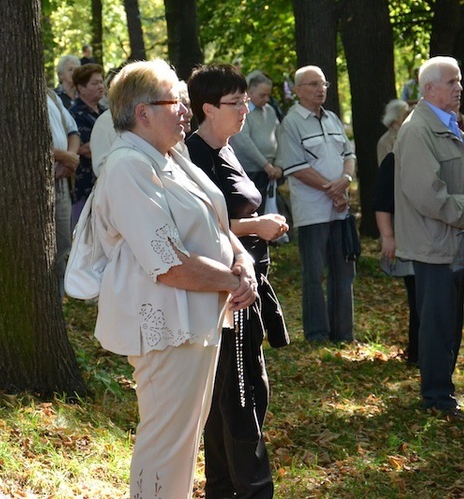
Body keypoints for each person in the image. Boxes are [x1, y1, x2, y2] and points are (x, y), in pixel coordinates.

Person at [91, 59, 258, 498]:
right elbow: (168, 264)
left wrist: (243, 263)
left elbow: (218, 225)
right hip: (165, 326)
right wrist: (232, 281)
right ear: (142, 111)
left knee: (183, 444)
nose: (186, 111)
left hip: (197, 322)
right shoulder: (129, 165)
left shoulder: (172, 158)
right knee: (166, 444)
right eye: (176, 102)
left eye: (185, 102)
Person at [186, 63, 289, 499]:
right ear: (208, 108)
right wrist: (256, 226)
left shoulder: (226, 148)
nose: (245, 108)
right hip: (226, 289)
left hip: (248, 284)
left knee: (237, 392)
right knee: (241, 395)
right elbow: (201, 224)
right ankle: (250, 490)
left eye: (246, 99)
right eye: (236, 102)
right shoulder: (193, 155)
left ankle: (224, 488)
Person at [393, 56, 464, 418]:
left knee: (451, 321)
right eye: (451, 82)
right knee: (438, 323)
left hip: (452, 240)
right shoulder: (418, 129)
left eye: (459, 81)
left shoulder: (448, 123)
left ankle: (443, 392)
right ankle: (436, 397)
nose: (459, 87)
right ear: (429, 88)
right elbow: (427, 192)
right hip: (435, 242)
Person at [276, 65, 356, 343]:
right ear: (298, 91)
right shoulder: (291, 123)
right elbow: (296, 167)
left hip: (340, 208)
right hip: (312, 212)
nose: (320, 89)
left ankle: (343, 332)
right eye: (312, 84)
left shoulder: (333, 118)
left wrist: (345, 180)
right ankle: (317, 333)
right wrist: (331, 189)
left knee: (343, 272)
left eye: (323, 84)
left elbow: (349, 154)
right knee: (314, 274)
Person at [374, 152, 419, 366]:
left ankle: (420, 351)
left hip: (426, 239)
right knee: (417, 299)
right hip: (407, 239)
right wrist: (388, 238)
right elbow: (382, 202)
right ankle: (417, 353)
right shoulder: (394, 159)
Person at [230, 70, 283, 203]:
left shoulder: (270, 111)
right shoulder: (243, 111)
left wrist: (278, 165)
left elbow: (280, 137)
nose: (266, 99)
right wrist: (266, 165)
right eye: (262, 95)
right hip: (249, 170)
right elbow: (243, 141)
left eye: (268, 95)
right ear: (250, 93)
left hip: (272, 172)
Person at [46, 87, 79, 297]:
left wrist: (70, 158)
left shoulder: (50, 95)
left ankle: (58, 300)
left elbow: (72, 131)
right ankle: (50, 298)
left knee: (63, 243)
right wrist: (62, 156)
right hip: (39, 182)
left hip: (61, 180)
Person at [69, 63, 106, 228]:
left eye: (101, 82)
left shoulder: (107, 112)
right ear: (81, 88)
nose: (100, 86)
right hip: (84, 185)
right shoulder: (74, 114)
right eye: (94, 83)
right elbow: (84, 149)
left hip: (107, 184)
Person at [377, 99, 409, 164]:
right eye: (405, 114)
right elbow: (386, 168)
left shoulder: (409, 134)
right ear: (395, 116)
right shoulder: (385, 141)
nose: (408, 116)